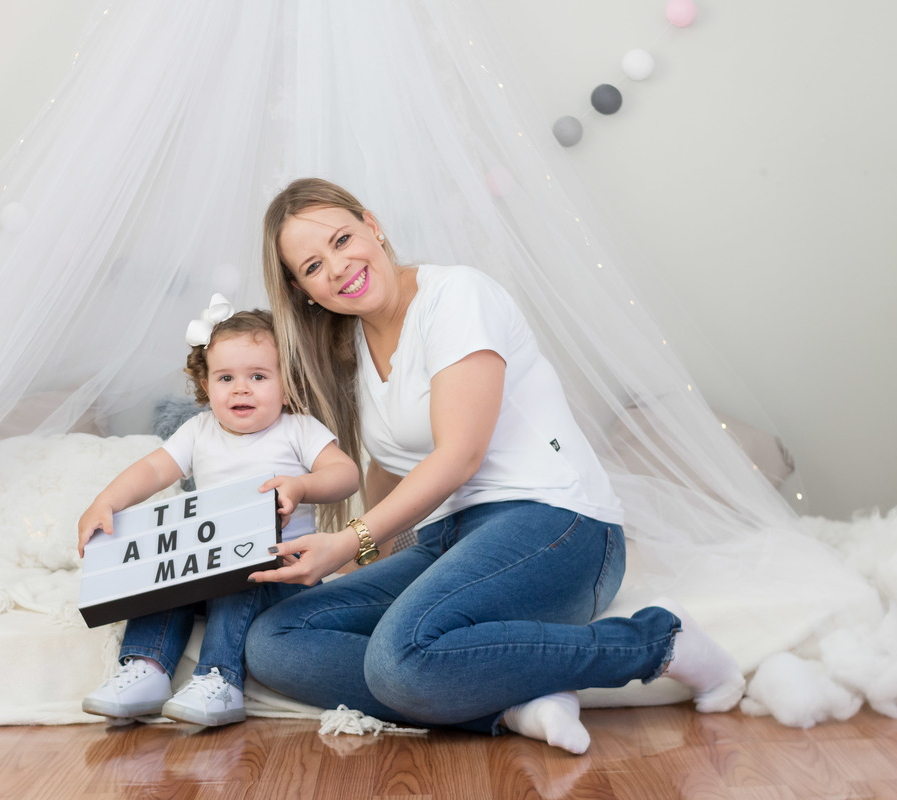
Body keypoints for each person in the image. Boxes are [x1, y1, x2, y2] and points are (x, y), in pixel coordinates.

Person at [243, 178, 746, 754]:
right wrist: (365, 559)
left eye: (342, 239)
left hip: (558, 526)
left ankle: (658, 641)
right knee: (276, 638)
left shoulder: (457, 295)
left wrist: (348, 539)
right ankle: (512, 700)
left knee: (398, 660)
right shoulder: (351, 347)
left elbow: (459, 456)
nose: (336, 266)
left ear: (373, 225)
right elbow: (389, 468)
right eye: (312, 265)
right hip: (452, 540)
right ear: (303, 289)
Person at [77, 299, 359, 727]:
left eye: (258, 377)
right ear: (206, 385)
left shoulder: (298, 429)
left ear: (287, 386)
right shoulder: (199, 430)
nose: (241, 389)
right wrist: (107, 502)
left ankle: (219, 679)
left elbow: (345, 474)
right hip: (209, 569)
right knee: (164, 573)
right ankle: (146, 669)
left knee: (239, 564)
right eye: (226, 377)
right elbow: (154, 468)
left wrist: (302, 485)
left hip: (282, 574)